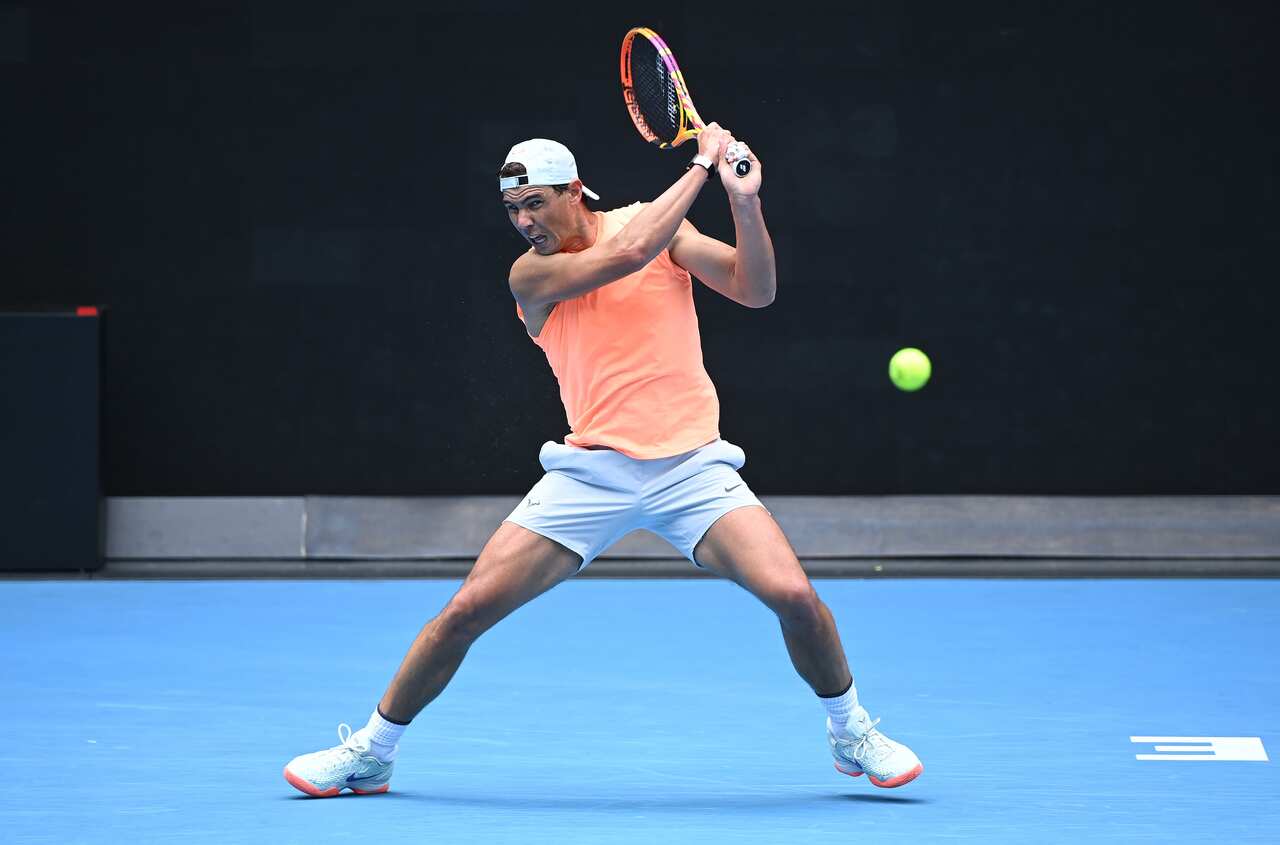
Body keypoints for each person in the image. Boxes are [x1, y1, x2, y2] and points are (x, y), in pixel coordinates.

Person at [283, 127, 923, 797]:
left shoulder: (657, 227)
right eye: (512, 211)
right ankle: (371, 750)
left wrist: (745, 200)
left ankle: (850, 732)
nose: (524, 222)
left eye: (534, 203)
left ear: (573, 190)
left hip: (692, 469)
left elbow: (753, 287)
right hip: (591, 475)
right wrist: (703, 164)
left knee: (795, 597)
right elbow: (629, 253)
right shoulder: (530, 273)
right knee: (466, 610)